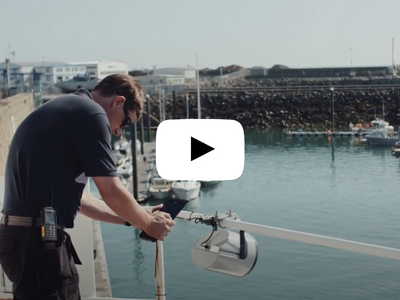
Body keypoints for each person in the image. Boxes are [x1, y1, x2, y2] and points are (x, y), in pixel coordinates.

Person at [0, 74, 175, 300]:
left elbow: (82, 200)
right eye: (126, 123)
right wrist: (149, 224)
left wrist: (137, 216)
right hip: (38, 242)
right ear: (118, 102)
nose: (120, 132)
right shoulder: (91, 113)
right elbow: (110, 189)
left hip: (22, 239)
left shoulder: (69, 107)